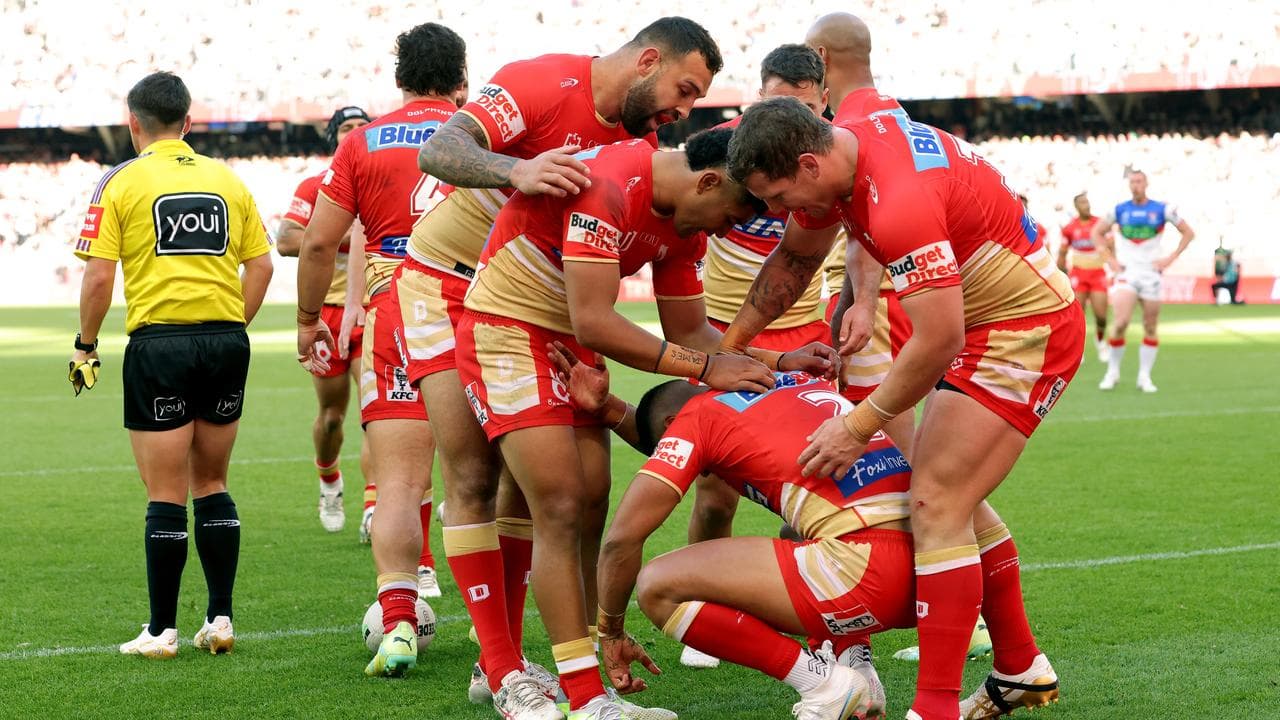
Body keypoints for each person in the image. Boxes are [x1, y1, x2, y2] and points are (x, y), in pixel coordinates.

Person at [403, 17, 725, 718]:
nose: (683, 111)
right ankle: (501, 668)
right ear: (647, 60)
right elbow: (440, 149)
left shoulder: (640, 150)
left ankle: (541, 664)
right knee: (472, 474)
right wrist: (515, 169)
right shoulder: (543, 82)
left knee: (556, 493)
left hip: (547, 302)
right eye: (684, 89)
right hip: (447, 281)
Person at [458, 128, 836, 720]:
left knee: (588, 503)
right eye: (728, 215)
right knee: (556, 504)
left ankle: (572, 679)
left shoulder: (682, 222)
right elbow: (593, 321)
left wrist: (776, 361)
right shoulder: (609, 184)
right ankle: (559, 690)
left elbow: (689, 334)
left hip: (565, 346)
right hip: (508, 328)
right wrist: (710, 369)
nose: (719, 231)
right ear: (708, 181)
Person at [722, 97, 1080, 720]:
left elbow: (937, 337)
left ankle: (934, 708)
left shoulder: (900, 201)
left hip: (1021, 330)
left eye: (778, 197)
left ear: (809, 163)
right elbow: (798, 258)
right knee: (946, 491)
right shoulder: (844, 152)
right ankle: (1019, 665)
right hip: (985, 327)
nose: (778, 214)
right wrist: (725, 352)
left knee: (936, 503)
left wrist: (857, 426)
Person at [71, 71, 273, 658]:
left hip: (159, 346)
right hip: (226, 342)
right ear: (189, 121)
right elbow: (260, 267)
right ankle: (221, 618)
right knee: (213, 482)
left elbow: (100, 274)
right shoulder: (227, 179)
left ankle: (161, 631)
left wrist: (85, 346)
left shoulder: (120, 182)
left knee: (165, 491)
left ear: (133, 122)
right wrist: (233, 326)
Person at [295, 21, 466, 676]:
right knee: (483, 487)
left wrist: (310, 321)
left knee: (396, 482)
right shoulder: (487, 132)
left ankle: (398, 624)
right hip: (476, 309)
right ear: (461, 81)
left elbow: (316, 243)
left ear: (398, 81)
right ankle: (497, 651)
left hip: (396, 313)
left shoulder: (363, 142)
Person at [677, 43, 832, 669]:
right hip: (727, 334)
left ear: (820, 101)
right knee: (717, 485)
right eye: (776, 102)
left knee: (811, 479)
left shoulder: (825, 157)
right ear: (758, 94)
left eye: (801, 107)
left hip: (807, 333)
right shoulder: (726, 150)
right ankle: (709, 612)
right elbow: (687, 222)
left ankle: (804, 606)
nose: (787, 117)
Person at [806, 12, 916, 456]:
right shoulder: (893, 115)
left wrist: (864, 304)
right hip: (900, 291)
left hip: (873, 298)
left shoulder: (850, 132)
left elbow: (869, 224)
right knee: (904, 452)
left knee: (895, 450)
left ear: (820, 57)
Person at [276, 106, 372, 535]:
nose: (355, 133)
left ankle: (374, 504)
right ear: (334, 138)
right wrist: (348, 236)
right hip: (329, 313)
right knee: (332, 415)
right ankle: (329, 477)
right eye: (347, 128)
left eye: (362, 128)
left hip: (374, 309)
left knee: (377, 411)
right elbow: (287, 240)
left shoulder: (382, 177)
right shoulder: (316, 187)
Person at [1091, 170, 1195, 393]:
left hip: (1151, 274)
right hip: (1127, 273)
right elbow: (1096, 233)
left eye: (1139, 181)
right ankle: (1112, 372)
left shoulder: (1162, 209)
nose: (1135, 185)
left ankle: (1144, 376)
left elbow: (1188, 232)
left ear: (1146, 183)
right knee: (1120, 323)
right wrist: (1109, 260)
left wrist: (1171, 257)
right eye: (1132, 182)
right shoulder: (1119, 210)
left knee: (1150, 326)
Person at [1057, 192, 1110, 363]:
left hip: (1098, 273)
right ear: (1076, 206)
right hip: (1078, 274)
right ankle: (1079, 350)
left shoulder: (1100, 224)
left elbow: (1111, 245)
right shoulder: (1069, 228)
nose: (1086, 205)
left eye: (1087, 202)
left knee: (1101, 315)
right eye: (1082, 202)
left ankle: (1101, 342)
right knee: (1078, 316)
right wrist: (1060, 277)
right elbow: (1062, 254)